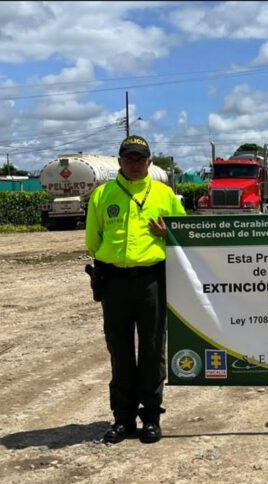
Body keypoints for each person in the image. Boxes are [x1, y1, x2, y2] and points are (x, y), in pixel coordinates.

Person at [85, 135, 186, 444]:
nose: (134, 163)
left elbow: (185, 236)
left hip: (151, 280)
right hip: (114, 282)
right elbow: (93, 241)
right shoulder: (102, 195)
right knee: (120, 349)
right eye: (128, 158)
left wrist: (166, 232)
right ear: (119, 161)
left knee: (153, 348)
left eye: (140, 158)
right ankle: (123, 419)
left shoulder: (165, 194)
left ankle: (152, 417)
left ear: (149, 162)